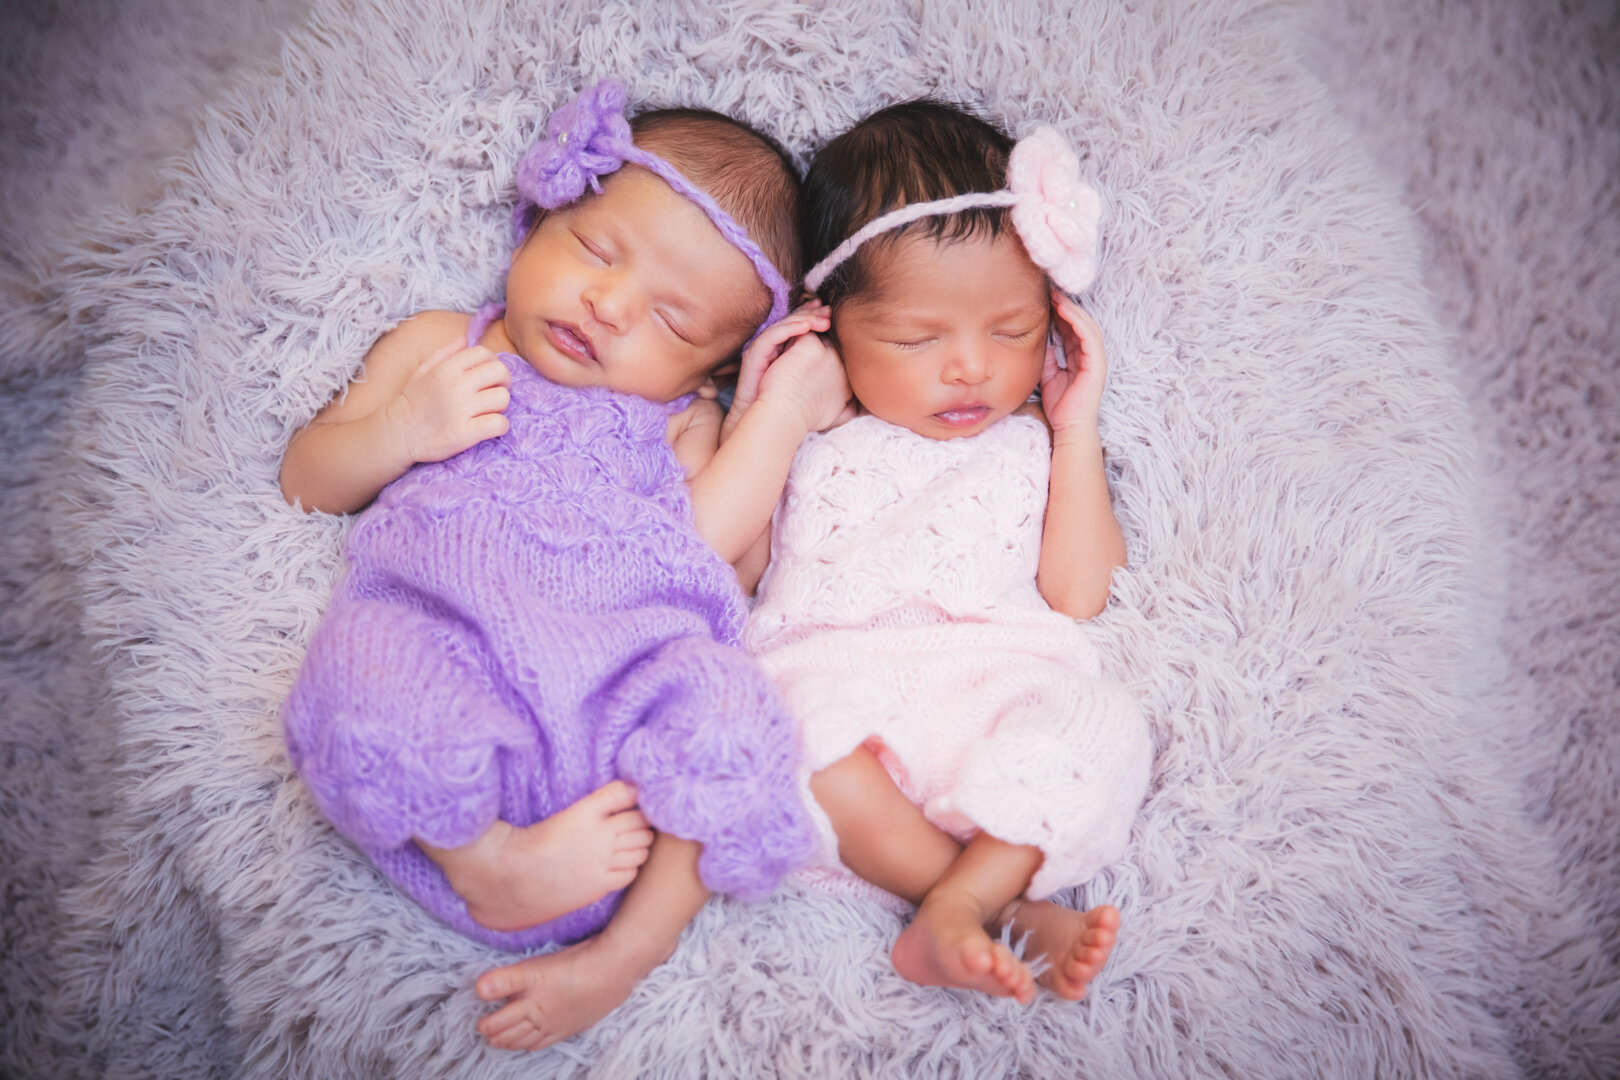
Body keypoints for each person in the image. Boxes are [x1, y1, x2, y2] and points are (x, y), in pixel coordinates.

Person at [280, 78, 850, 1052]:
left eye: (673, 323)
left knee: (735, 711)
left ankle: (624, 954)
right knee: (361, 659)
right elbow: (306, 478)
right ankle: (482, 858)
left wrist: (781, 414)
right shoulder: (442, 345)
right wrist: (401, 431)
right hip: (447, 657)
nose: (610, 305)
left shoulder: (681, 421)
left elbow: (711, 549)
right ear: (539, 219)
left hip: (616, 706)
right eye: (596, 249)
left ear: (709, 370)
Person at [742, 100, 1154, 1007]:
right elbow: (729, 572)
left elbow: (1081, 594)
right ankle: (982, 905)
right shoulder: (808, 424)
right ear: (827, 325)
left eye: (1012, 331)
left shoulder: (1033, 436)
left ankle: (961, 903)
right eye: (916, 338)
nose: (971, 366)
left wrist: (1075, 427)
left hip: (998, 685)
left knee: (1105, 726)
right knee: (786, 732)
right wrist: (767, 415)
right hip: (836, 677)